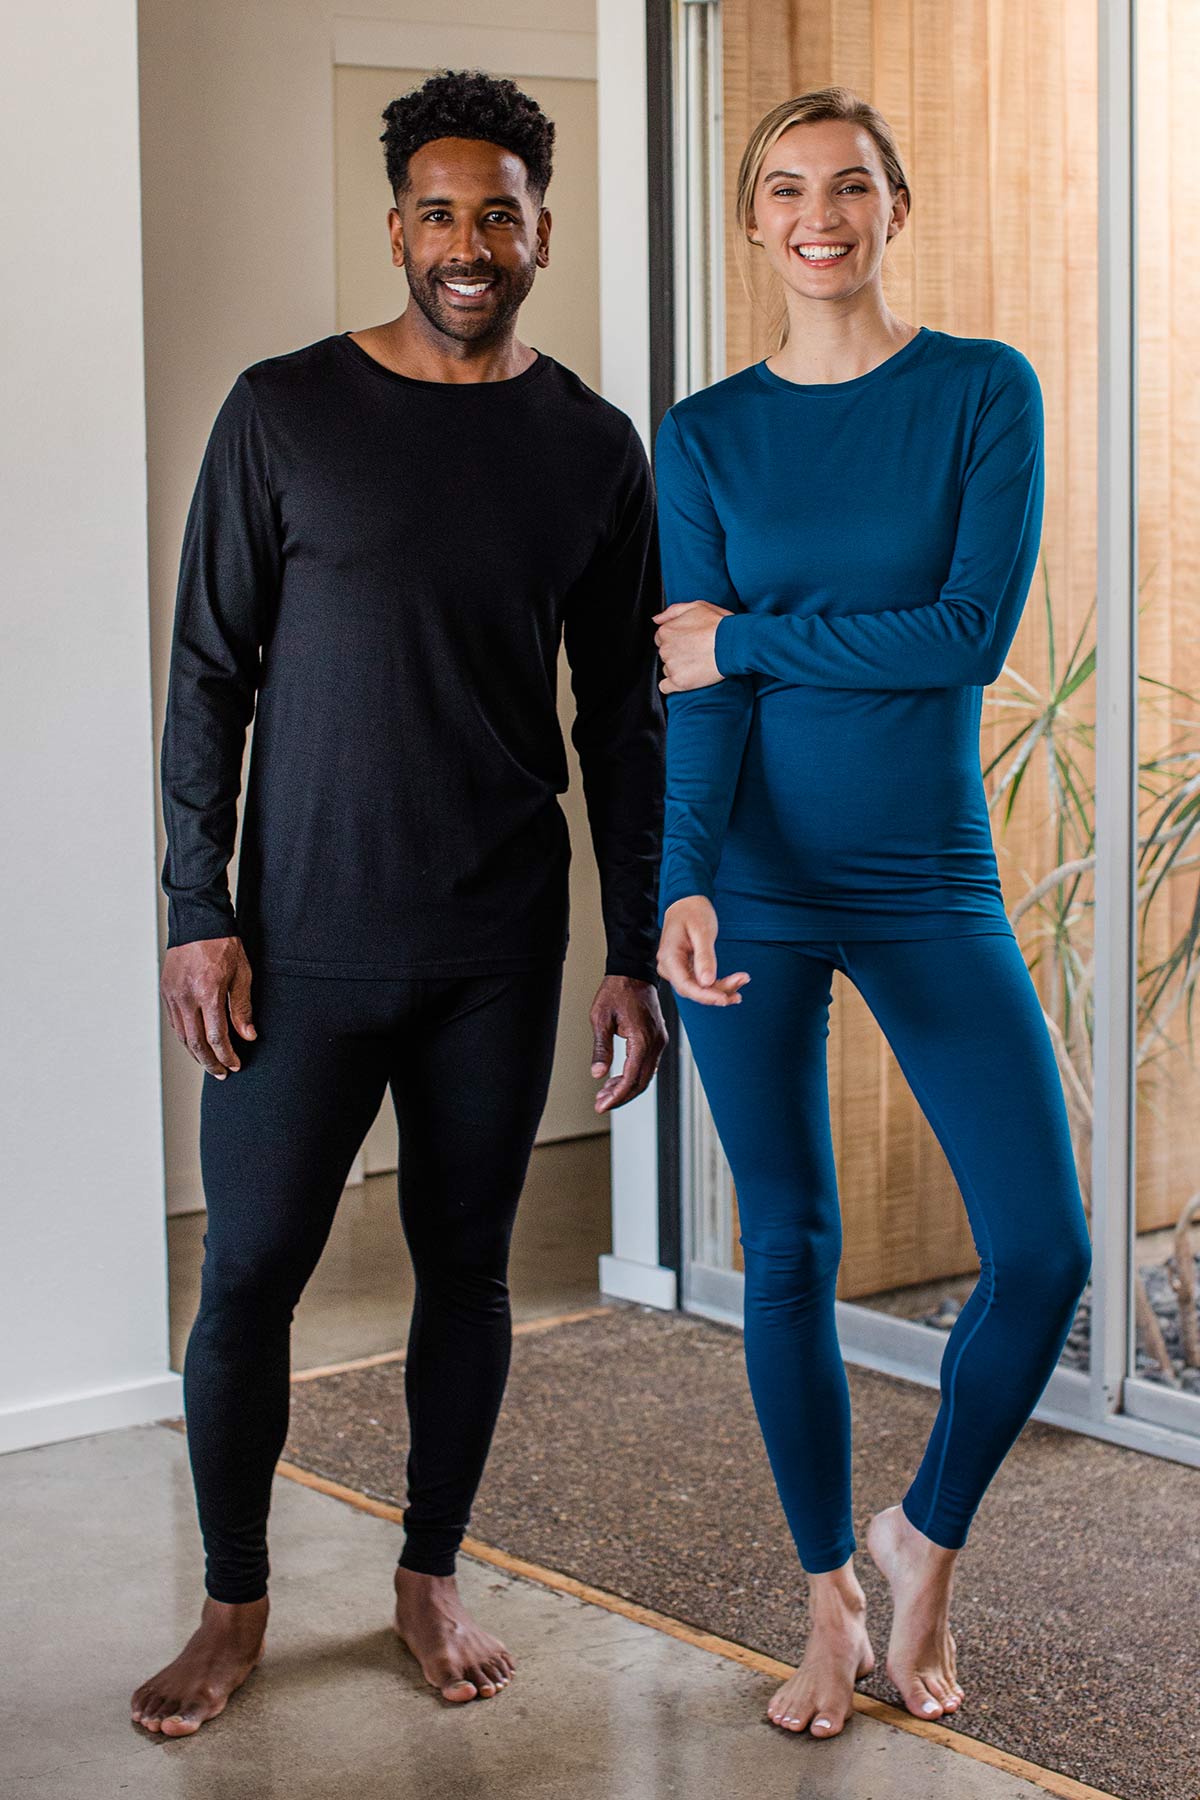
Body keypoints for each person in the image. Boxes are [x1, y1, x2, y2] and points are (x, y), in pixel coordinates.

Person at [132, 68, 668, 1736]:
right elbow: (209, 674)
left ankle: (429, 1575)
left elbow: (622, 721)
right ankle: (233, 1603)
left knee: (468, 1271)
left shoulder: (591, 447)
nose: (468, 243)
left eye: (499, 214)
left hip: (497, 950)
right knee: (251, 1280)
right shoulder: (281, 412)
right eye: (439, 212)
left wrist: (635, 951)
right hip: (298, 945)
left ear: (541, 233)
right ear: (397, 227)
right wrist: (190, 909)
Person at [653, 86, 1092, 1742]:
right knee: (791, 1249)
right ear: (754, 221)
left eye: (849, 186)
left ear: (894, 206)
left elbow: (964, 634)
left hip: (928, 874)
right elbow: (691, 702)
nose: (818, 215)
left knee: (1042, 1249)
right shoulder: (701, 434)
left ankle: (927, 1540)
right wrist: (681, 881)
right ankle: (829, 1593)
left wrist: (752, 636)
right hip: (752, 880)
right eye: (786, 189)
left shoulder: (983, 393)